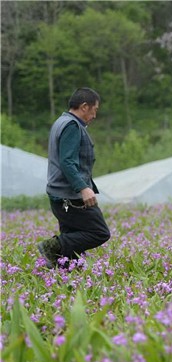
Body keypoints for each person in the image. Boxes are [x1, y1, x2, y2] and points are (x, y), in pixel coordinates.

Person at [37, 87, 111, 269]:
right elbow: (67, 162)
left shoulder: (61, 122)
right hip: (69, 196)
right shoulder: (71, 126)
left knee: (73, 238)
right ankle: (52, 246)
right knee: (99, 232)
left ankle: (62, 271)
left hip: (60, 194)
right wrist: (83, 188)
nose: (95, 115)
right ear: (85, 106)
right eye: (95, 109)